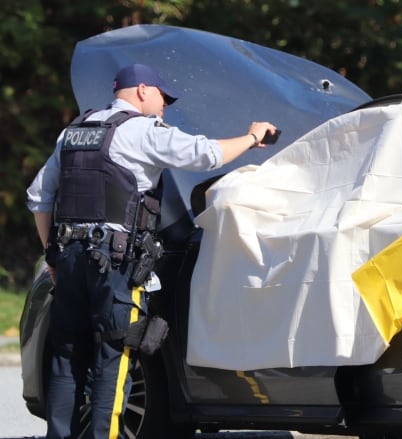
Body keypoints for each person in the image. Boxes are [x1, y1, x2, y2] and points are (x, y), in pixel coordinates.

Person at [26, 63, 278, 439]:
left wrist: (53, 257)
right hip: (112, 265)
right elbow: (206, 155)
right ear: (143, 90)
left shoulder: (75, 132)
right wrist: (251, 136)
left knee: (67, 359)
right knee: (114, 358)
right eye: (163, 97)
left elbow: (38, 197)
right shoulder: (143, 131)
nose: (165, 107)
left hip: (70, 258)